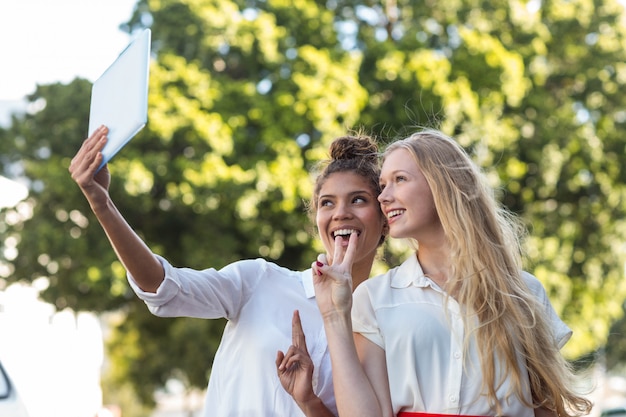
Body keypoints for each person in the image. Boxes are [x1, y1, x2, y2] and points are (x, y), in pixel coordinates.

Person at [69, 125, 387, 417]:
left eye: (358, 200)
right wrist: (102, 204)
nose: (341, 214)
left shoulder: (383, 322)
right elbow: (162, 287)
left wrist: (309, 401)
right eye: (327, 203)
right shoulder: (259, 282)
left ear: (385, 216)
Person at [311, 128, 593, 417]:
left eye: (399, 180)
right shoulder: (374, 298)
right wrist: (334, 316)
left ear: (443, 185)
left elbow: (545, 407)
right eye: (383, 185)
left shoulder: (524, 292)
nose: (384, 196)